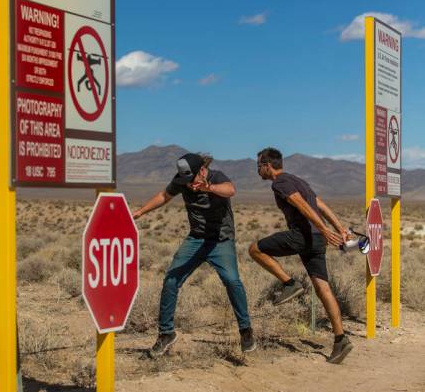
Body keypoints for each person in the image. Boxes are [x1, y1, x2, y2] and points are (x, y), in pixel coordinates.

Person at [133, 152, 256, 357]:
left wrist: (210, 188)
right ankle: (166, 334)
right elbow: (164, 196)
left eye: (192, 179)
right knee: (171, 280)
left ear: (202, 171)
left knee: (232, 280)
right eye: (185, 180)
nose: (188, 184)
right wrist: (140, 212)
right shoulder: (182, 180)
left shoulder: (216, 177)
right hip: (196, 239)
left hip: (220, 240)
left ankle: (246, 331)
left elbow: (231, 190)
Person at [248, 147, 353, 364]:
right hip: (316, 239)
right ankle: (341, 339)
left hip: (303, 235)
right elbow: (320, 204)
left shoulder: (280, 183)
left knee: (255, 249)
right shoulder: (298, 180)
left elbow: (301, 204)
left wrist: (324, 229)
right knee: (323, 287)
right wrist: (339, 228)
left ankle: (290, 283)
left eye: (259, 166)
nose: (258, 170)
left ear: (268, 165)